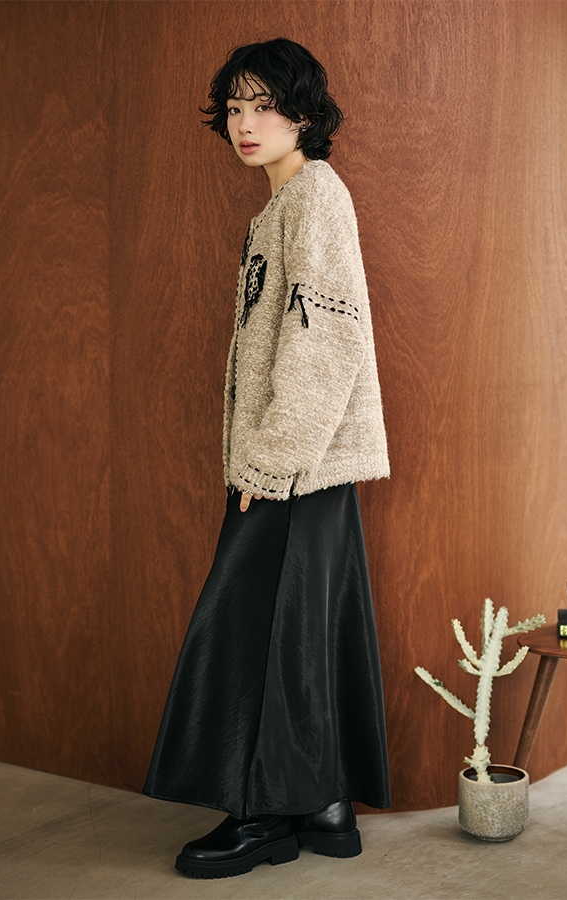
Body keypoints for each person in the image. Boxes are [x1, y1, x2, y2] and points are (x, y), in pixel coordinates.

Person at [142, 37, 391, 879]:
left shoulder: (314, 196)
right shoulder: (284, 204)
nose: (246, 124)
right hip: (300, 467)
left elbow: (327, 342)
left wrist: (270, 461)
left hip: (292, 467)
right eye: (235, 108)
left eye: (265, 107)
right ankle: (322, 803)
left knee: (251, 637)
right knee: (297, 635)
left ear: (305, 116)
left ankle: (262, 816)